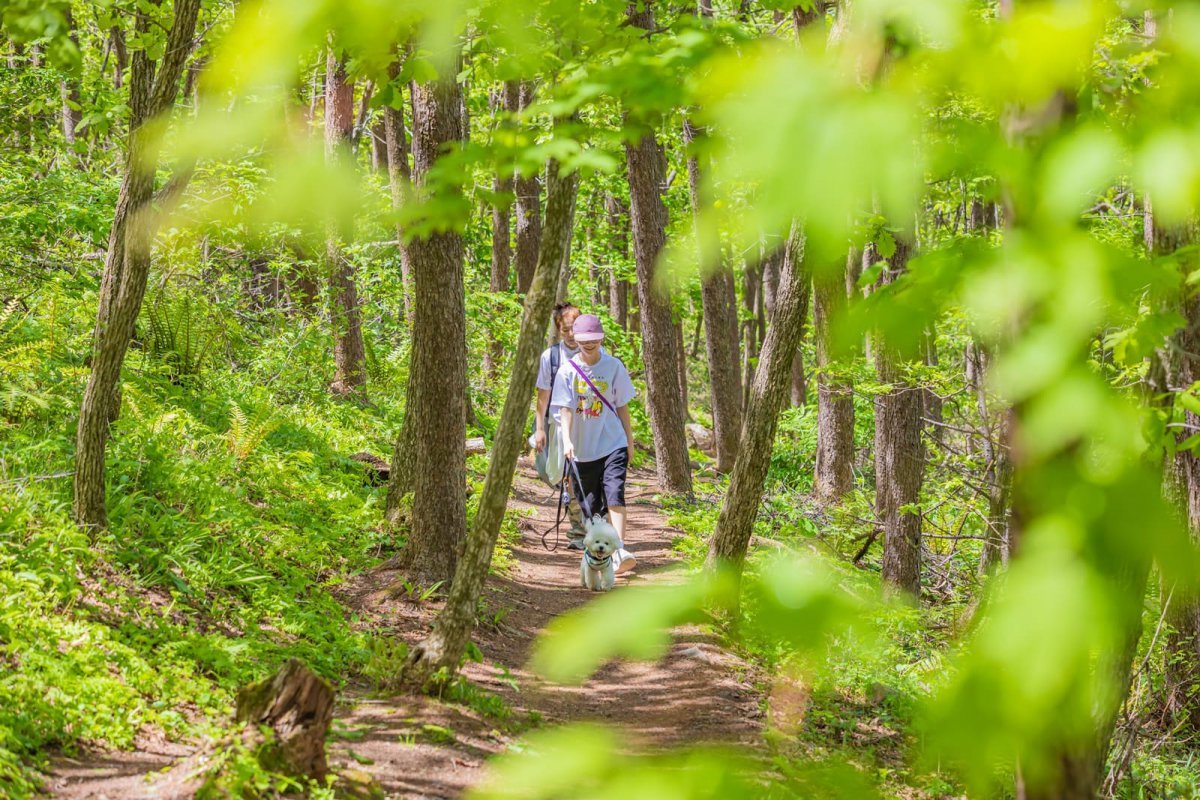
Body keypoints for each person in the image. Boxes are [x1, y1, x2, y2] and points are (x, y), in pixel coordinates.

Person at [552, 313, 637, 574]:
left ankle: (620, 548)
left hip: (613, 442)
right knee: (592, 505)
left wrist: (629, 441)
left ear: (601, 339)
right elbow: (565, 410)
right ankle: (600, 555)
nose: (589, 345)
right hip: (581, 449)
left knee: (615, 492)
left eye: (594, 340)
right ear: (575, 339)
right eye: (584, 340)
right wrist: (567, 442)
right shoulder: (567, 371)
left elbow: (621, 406)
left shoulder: (614, 367)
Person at [534, 302, 587, 549]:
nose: (571, 334)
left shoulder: (594, 352)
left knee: (581, 478)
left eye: (575, 328)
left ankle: (581, 531)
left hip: (589, 425)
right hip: (557, 425)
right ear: (558, 330)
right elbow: (542, 396)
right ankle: (580, 527)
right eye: (565, 330)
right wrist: (540, 429)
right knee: (557, 475)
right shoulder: (551, 357)